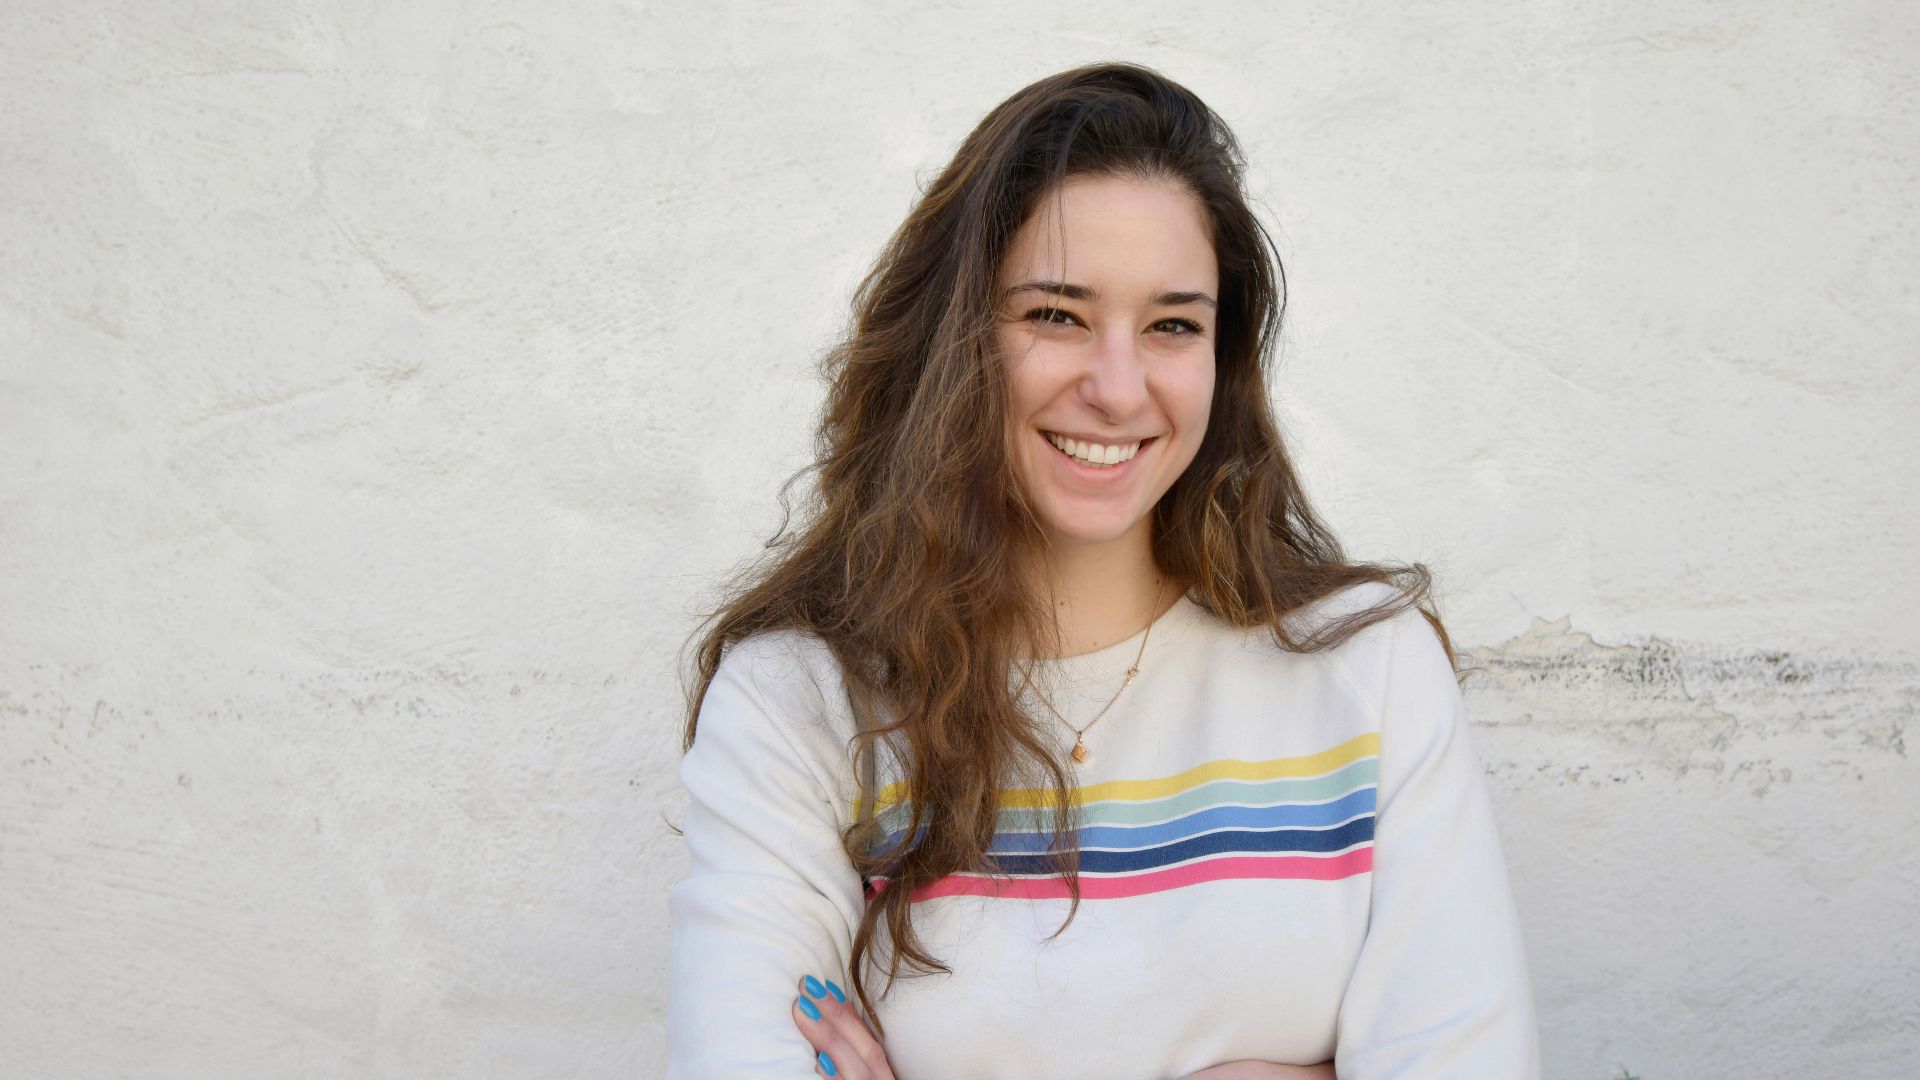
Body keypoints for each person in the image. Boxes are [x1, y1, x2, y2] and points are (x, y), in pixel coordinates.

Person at [666, 62, 1539, 1079]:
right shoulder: (800, 705)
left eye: (1173, 325)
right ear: (953, 341)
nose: (1119, 390)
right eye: (1056, 315)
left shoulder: (1369, 675)